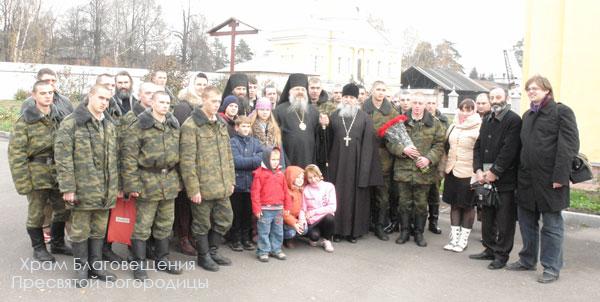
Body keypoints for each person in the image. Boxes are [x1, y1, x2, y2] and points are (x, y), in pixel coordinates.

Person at [507, 75, 579, 284]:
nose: (531, 91)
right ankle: (527, 259)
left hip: (551, 180)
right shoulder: (528, 115)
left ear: (547, 90)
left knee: (551, 226)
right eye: (529, 88)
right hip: (527, 179)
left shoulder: (561, 112)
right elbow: (522, 147)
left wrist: (560, 176)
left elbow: (569, 146)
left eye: (536, 88)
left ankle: (551, 267)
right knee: (527, 224)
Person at [54, 84, 119, 287]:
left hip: (105, 190)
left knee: (99, 230)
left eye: (107, 99)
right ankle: (81, 267)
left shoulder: (108, 124)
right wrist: (68, 188)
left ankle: (96, 266)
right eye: (100, 98)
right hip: (82, 188)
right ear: (90, 96)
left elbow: (113, 159)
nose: (104, 103)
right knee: (80, 230)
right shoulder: (72, 123)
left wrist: (114, 186)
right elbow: (63, 158)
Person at [9, 81, 72, 263]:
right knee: (36, 213)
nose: (47, 96)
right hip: (36, 173)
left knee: (62, 209)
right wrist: (23, 183)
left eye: (50, 92)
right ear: (34, 95)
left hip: (58, 172)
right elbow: (16, 155)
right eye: (43, 93)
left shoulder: (59, 119)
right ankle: (38, 248)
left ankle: (58, 243)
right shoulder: (25, 122)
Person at [122, 91, 182, 280]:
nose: (165, 106)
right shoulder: (139, 125)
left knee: (165, 223)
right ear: (152, 103)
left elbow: (179, 153)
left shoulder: (173, 124)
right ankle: (138, 263)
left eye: (167, 103)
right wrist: (132, 184)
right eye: (161, 102)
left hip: (169, 181)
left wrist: (179, 180)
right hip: (147, 180)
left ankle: (162, 259)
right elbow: (129, 157)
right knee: (142, 225)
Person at [180, 86, 235, 272]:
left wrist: (231, 180)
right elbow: (187, 161)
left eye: (218, 101)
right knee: (201, 224)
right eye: (213, 101)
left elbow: (228, 154)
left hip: (222, 185)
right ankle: (203, 256)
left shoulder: (220, 123)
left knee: (225, 219)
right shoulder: (191, 125)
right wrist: (193, 189)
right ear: (203, 100)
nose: (216, 105)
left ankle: (213, 251)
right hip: (202, 187)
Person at [470, 87, 522, 269]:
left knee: (504, 220)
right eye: (492, 97)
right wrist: (477, 169)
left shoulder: (513, 120)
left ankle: (501, 255)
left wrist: (495, 171)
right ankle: (489, 249)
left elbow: (509, 150)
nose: (495, 100)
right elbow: (478, 146)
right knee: (488, 216)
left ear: (506, 98)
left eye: (498, 97)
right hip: (484, 178)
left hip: (504, 179)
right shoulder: (487, 119)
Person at [387, 92, 445, 247]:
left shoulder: (434, 123)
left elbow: (439, 145)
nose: (417, 106)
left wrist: (428, 158)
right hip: (403, 169)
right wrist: (402, 149)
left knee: (420, 203)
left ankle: (419, 232)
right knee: (404, 203)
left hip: (423, 171)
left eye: (421, 103)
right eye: (415, 103)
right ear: (411, 103)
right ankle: (404, 231)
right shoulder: (400, 121)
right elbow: (390, 142)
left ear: (425, 105)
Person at [327, 83, 383, 243]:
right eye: (346, 97)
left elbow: (369, 146)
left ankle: (354, 232)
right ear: (341, 98)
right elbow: (327, 141)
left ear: (356, 99)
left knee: (355, 198)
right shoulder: (334, 116)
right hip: (337, 164)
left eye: (351, 97)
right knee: (338, 196)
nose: (348, 100)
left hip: (357, 165)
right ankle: (337, 231)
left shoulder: (365, 118)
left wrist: (365, 170)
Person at [172, 73, 208, 256]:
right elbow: (179, 135)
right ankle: (182, 237)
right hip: (185, 160)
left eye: (204, 84)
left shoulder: (205, 107)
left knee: (196, 202)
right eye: (198, 83)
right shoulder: (183, 106)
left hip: (201, 162)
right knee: (184, 203)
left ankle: (192, 235)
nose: (201, 87)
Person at [442, 99, 482, 252]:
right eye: (462, 109)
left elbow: (481, 151)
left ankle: (463, 240)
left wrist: (478, 172)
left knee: (467, 206)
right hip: (452, 170)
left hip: (469, 173)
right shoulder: (453, 126)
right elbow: (447, 147)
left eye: (469, 110)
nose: (465, 113)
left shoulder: (479, 127)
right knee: (454, 204)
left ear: (474, 111)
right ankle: (454, 239)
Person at [362, 81, 399, 241]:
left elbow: (397, 135)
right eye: (378, 89)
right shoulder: (363, 108)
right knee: (365, 192)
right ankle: (364, 223)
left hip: (384, 157)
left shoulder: (392, 111)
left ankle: (379, 225)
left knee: (382, 195)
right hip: (365, 155)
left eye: (384, 90)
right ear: (372, 91)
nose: (380, 93)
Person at [273, 73, 326, 167]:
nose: (300, 92)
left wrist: (323, 126)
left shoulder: (313, 111)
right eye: (297, 89)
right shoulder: (279, 110)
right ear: (290, 91)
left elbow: (319, 135)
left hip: (309, 156)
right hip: (288, 156)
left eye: (303, 89)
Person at [251, 147, 291, 262]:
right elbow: (255, 194)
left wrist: (287, 206)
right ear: (266, 159)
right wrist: (257, 209)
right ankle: (263, 251)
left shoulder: (281, 174)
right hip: (265, 210)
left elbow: (286, 192)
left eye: (277, 159)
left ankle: (276, 249)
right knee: (264, 231)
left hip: (278, 209)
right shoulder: (259, 174)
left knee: (278, 231)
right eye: (272, 159)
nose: (275, 162)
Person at [229, 116, 263, 252]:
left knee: (248, 214)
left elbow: (260, 158)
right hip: (237, 185)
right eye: (243, 126)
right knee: (236, 214)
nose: (246, 129)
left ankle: (246, 238)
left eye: (248, 126)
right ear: (237, 127)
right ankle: (235, 239)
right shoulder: (233, 142)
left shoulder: (255, 142)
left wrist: (249, 161)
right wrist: (252, 161)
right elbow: (236, 161)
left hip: (251, 185)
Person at [425, 97, 449, 235]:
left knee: (434, 192)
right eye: (428, 103)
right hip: (422, 159)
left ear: (437, 105)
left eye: (433, 103)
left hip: (437, 161)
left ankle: (433, 221)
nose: (430, 106)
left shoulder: (443, 120)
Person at [302, 164, 337, 252]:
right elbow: (303, 208)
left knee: (330, 218)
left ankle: (326, 240)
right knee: (314, 237)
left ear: (319, 175)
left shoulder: (329, 186)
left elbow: (333, 207)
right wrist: (303, 219)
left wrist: (314, 212)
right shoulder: (305, 190)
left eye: (315, 176)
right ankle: (314, 236)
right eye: (310, 178)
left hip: (325, 218)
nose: (313, 180)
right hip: (313, 221)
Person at [282, 166, 305, 248]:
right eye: (297, 177)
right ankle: (285, 238)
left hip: (294, 219)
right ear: (291, 177)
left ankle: (291, 235)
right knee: (291, 232)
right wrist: (294, 223)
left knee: (304, 229)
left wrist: (301, 220)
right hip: (283, 221)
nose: (300, 180)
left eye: (302, 178)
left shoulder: (300, 190)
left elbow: (302, 207)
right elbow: (283, 212)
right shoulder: (285, 192)